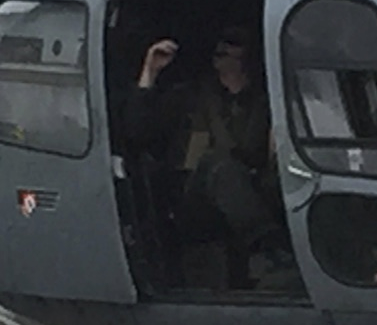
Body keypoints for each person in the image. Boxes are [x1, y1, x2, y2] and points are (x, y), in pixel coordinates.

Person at [117, 30, 298, 292]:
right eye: (223, 47)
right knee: (220, 165)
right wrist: (150, 72)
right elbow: (136, 130)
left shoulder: (269, 99)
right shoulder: (190, 97)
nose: (226, 53)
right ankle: (268, 247)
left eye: (235, 46)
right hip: (196, 200)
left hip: (254, 192)